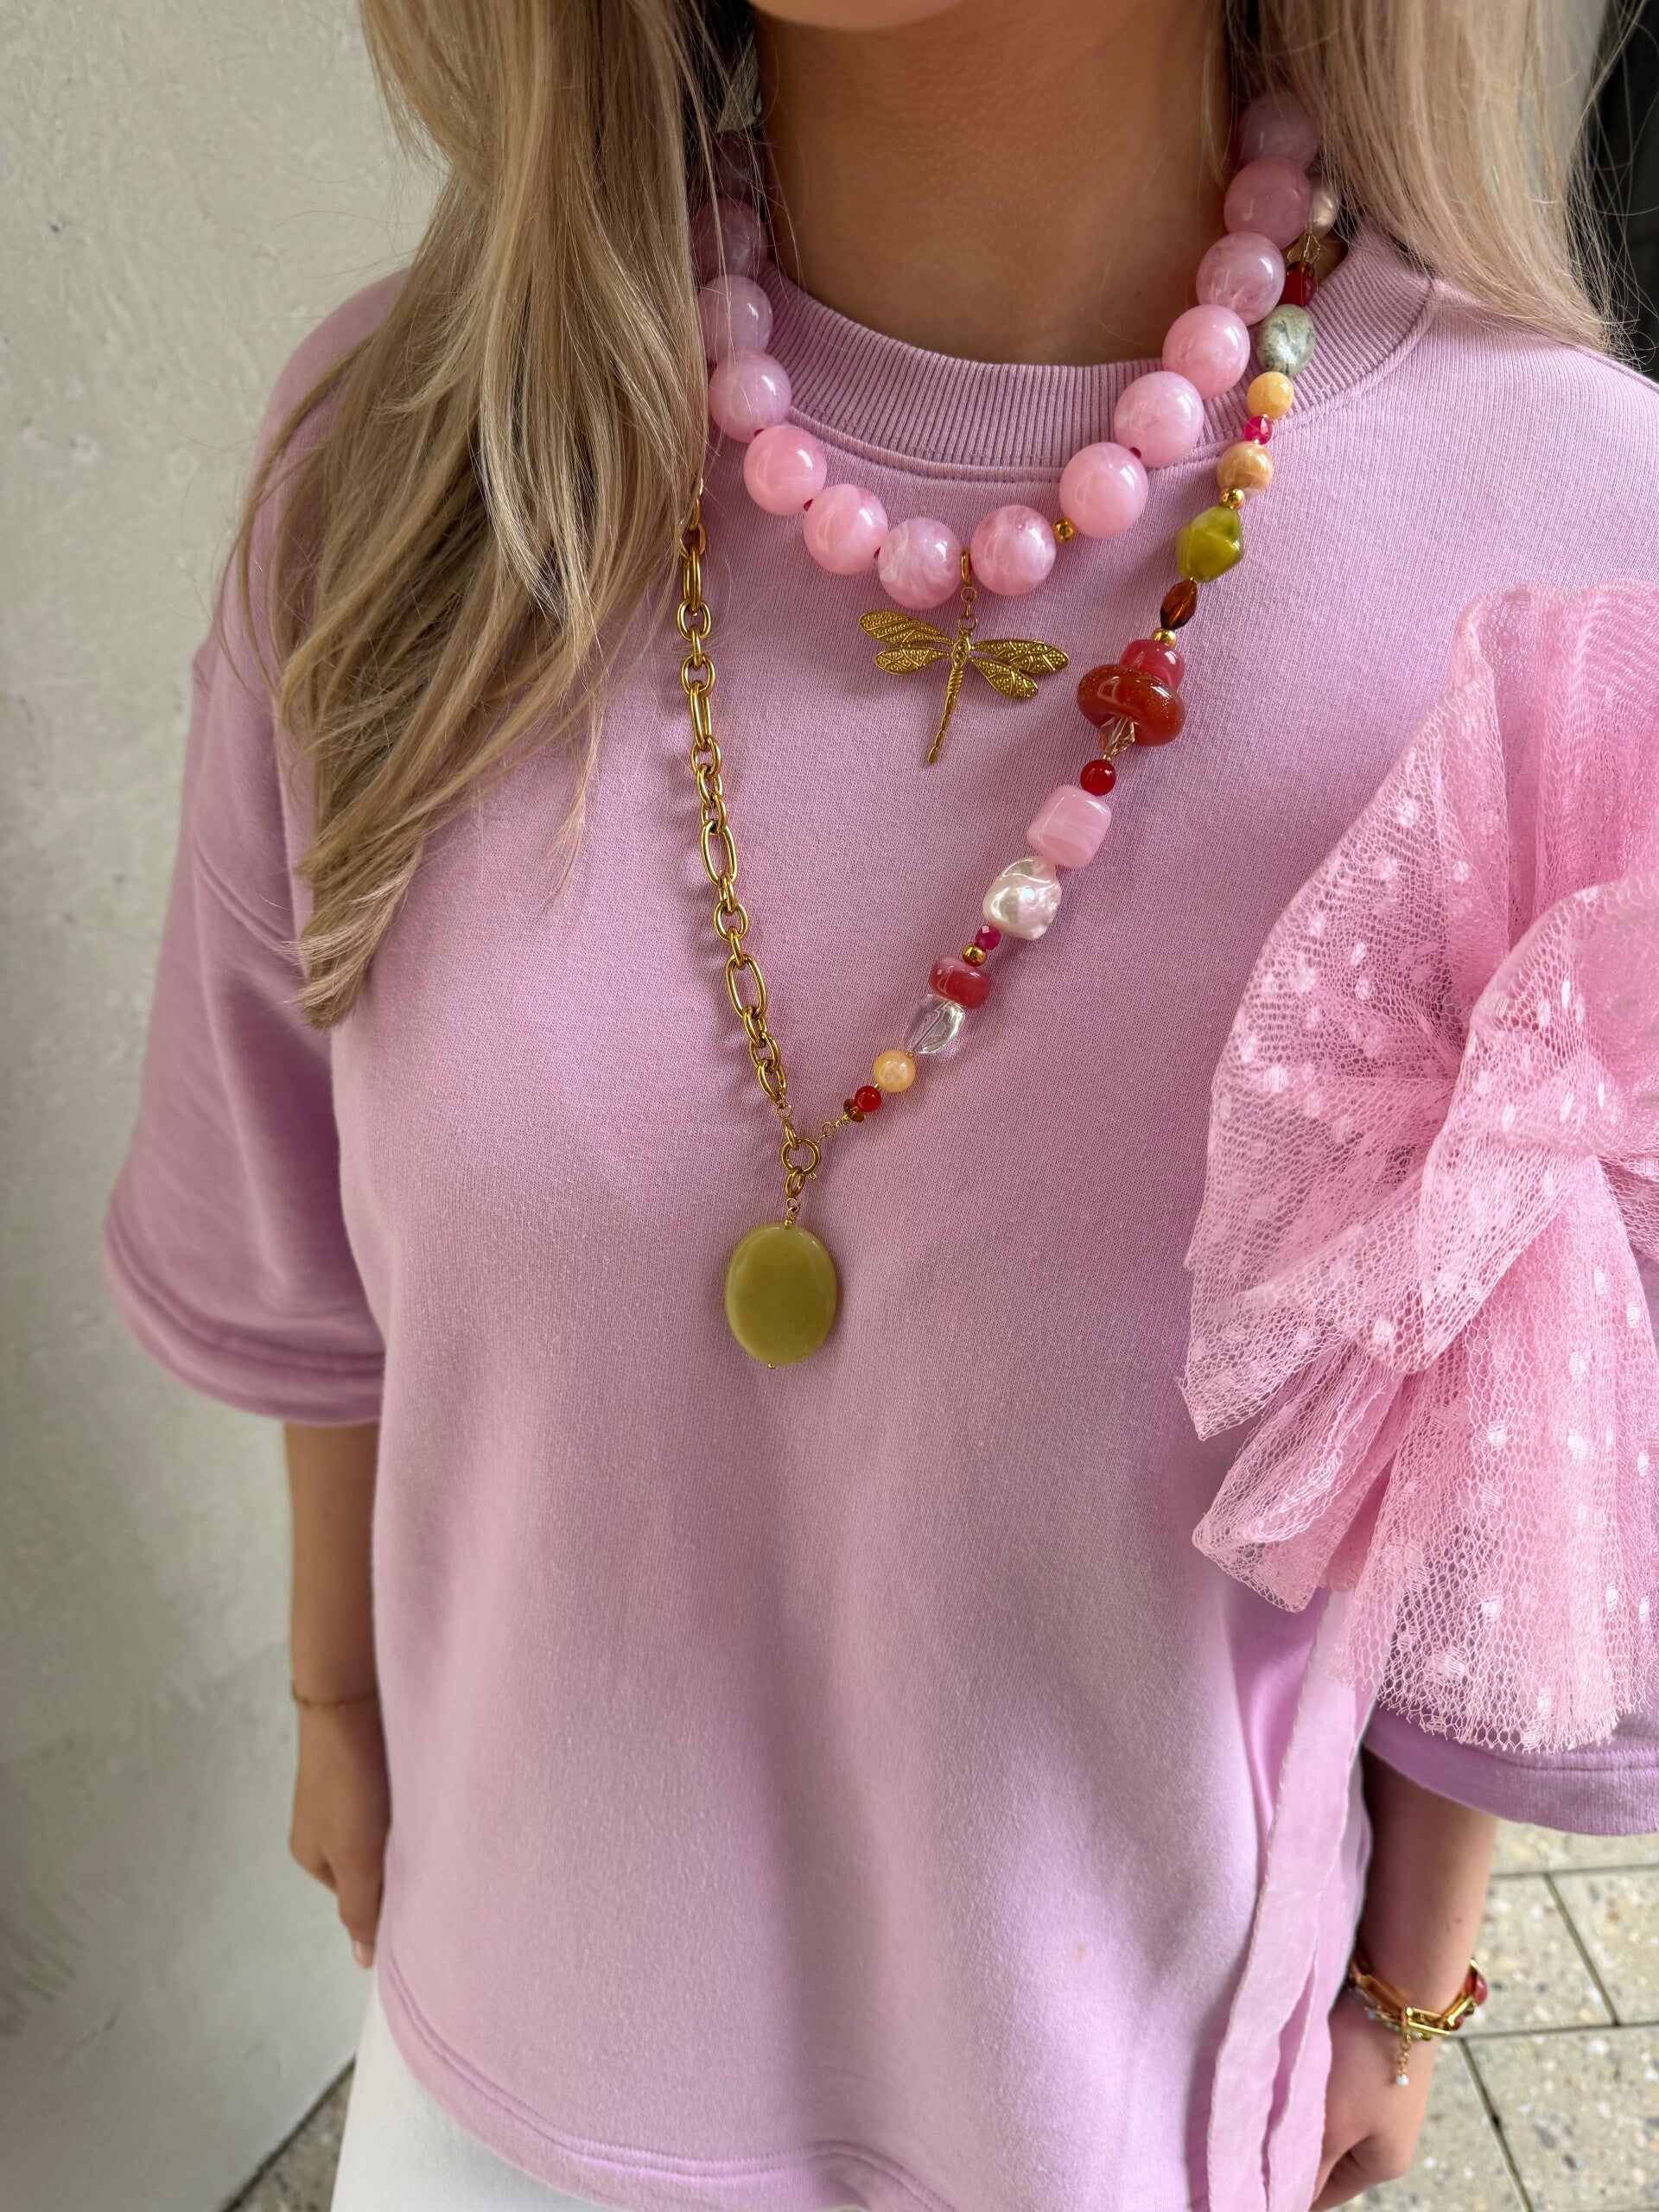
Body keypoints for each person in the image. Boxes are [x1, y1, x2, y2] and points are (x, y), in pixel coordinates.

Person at [104, 3, 1659, 2208]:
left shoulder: (1577, 544)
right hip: (499, 2067)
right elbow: (301, 1256)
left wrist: (1409, 1965)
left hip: (1098, 2120)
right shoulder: (407, 470)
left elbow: (1530, 1447)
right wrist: (337, 1704)